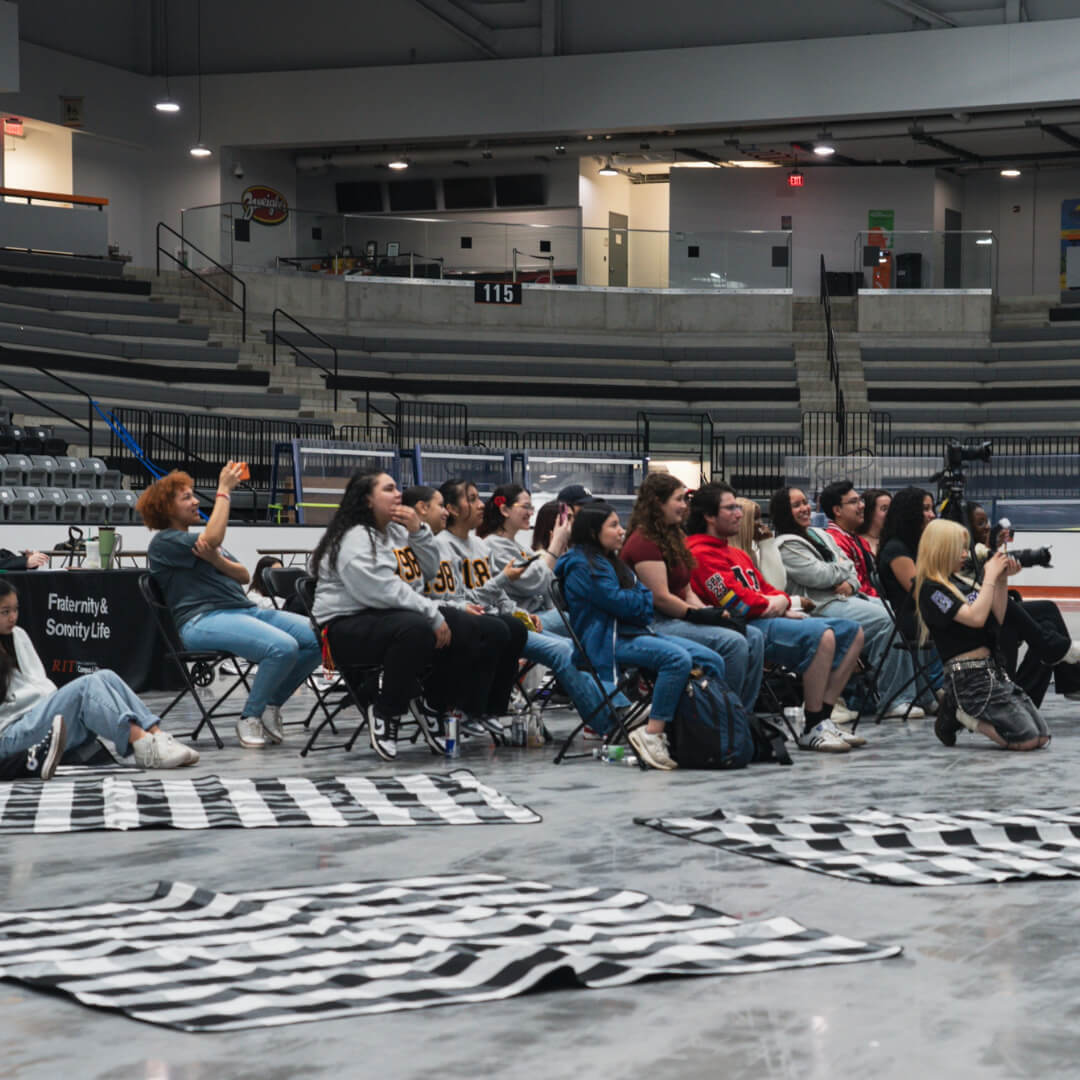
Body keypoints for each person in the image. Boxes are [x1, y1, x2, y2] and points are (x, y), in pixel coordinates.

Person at [140, 464, 321, 751]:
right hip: (202, 620)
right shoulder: (164, 542)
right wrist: (223, 490)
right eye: (186, 497)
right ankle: (249, 717)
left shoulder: (201, 543)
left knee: (318, 638)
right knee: (283, 646)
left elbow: (244, 575)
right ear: (166, 508)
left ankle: (271, 704)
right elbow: (213, 539)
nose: (196, 501)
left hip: (243, 610)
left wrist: (215, 560)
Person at [685, 484, 866, 753]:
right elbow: (734, 602)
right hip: (743, 626)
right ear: (710, 516)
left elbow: (766, 589)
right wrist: (780, 604)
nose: (739, 513)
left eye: (738, 507)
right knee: (823, 635)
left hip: (767, 617)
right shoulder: (698, 553)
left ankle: (824, 718)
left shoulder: (735, 553)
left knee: (853, 632)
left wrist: (780, 601)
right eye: (730, 508)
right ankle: (813, 726)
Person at [555, 501, 728, 771]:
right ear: (592, 532)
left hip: (633, 632)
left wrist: (637, 599)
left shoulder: (609, 561)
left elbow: (640, 598)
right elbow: (625, 603)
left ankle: (695, 731)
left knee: (712, 659)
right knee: (677, 660)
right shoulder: (580, 565)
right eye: (613, 526)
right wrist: (638, 599)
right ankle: (652, 735)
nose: (621, 531)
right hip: (604, 641)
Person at [0, 579, 199, 776]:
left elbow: (40, 685)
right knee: (87, 686)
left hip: (35, 717)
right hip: (11, 735)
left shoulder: (19, 635)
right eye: (5, 612)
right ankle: (142, 744)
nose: (13, 617)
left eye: (15, 609)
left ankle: (157, 736)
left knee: (106, 676)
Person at [771, 485, 925, 719]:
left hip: (847, 596)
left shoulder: (820, 534)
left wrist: (847, 579)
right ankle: (893, 698)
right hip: (819, 606)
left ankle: (921, 694)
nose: (804, 508)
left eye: (805, 503)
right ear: (784, 511)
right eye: (796, 505)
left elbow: (849, 571)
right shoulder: (784, 544)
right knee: (887, 620)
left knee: (903, 613)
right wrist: (842, 569)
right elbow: (818, 575)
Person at [620, 474, 764, 713]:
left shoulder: (675, 536)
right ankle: (722, 715)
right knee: (734, 642)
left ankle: (741, 714)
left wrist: (711, 613)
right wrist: (701, 616)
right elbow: (661, 597)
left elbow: (686, 590)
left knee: (754, 637)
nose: (685, 506)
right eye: (679, 499)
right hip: (653, 622)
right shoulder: (643, 541)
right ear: (657, 503)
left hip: (676, 617)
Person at [477, 483, 614, 731]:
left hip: (531, 617)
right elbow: (536, 583)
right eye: (525, 506)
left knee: (587, 635)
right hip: (519, 620)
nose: (530, 511)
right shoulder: (493, 546)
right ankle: (604, 718)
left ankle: (613, 706)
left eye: (532, 507)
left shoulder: (519, 546)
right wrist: (556, 546)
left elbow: (548, 586)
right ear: (504, 510)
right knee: (592, 623)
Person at [916, 519, 1049, 751]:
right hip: (967, 678)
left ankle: (960, 711)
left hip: (993, 671)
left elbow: (997, 616)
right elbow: (975, 618)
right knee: (1026, 740)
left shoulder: (961, 581)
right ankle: (960, 714)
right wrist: (989, 577)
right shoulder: (931, 590)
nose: (965, 554)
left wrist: (1001, 579)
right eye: (960, 548)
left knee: (1042, 736)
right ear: (941, 550)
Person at [963, 501, 1080, 706]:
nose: (988, 526)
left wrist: (996, 555)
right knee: (1029, 626)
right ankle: (1068, 671)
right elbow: (977, 590)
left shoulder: (980, 550)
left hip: (992, 609)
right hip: (975, 616)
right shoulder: (962, 553)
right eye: (981, 524)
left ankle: (1028, 697)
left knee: (1048, 620)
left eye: (987, 521)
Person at [820, 479, 879, 596]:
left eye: (860, 500)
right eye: (854, 502)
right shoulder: (834, 541)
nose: (862, 506)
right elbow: (856, 585)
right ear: (837, 510)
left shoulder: (856, 538)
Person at [731, 497, 786, 591]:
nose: (760, 524)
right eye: (755, 519)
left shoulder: (754, 552)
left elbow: (777, 587)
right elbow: (776, 587)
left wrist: (767, 543)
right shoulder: (728, 555)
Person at [857, 488, 891, 559]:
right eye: (884, 509)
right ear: (870, 512)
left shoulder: (894, 541)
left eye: (892, 508)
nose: (890, 513)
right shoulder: (856, 542)